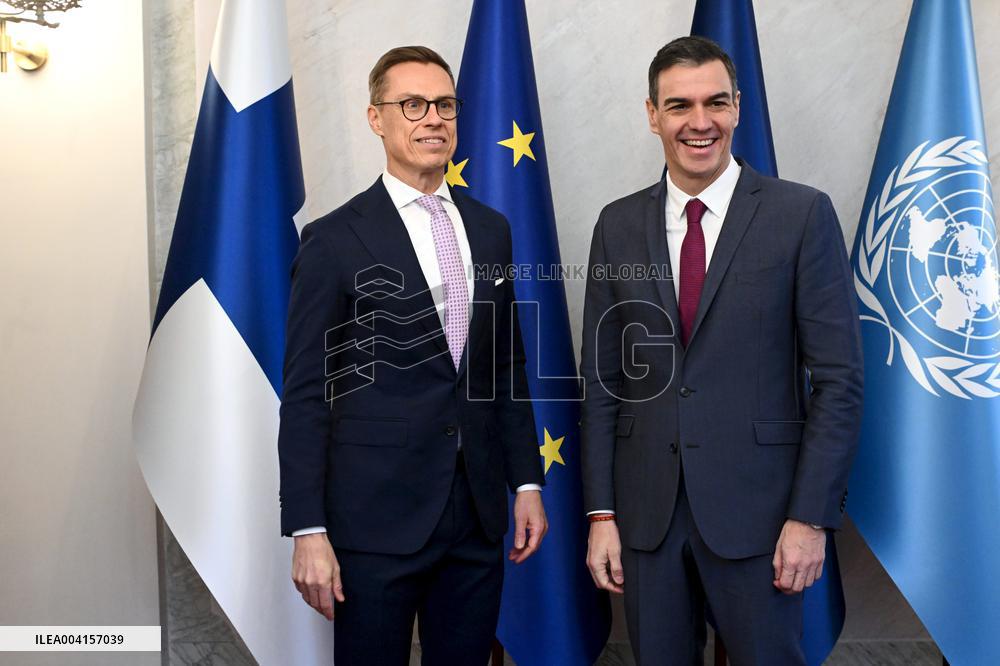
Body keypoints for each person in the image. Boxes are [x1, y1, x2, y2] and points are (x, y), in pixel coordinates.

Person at [580, 36, 863, 665]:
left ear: (738, 108)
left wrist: (810, 518)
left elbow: (840, 382)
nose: (699, 122)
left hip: (764, 519)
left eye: (715, 103)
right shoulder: (617, 224)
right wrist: (601, 513)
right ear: (652, 115)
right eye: (679, 105)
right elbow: (602, 382)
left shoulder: (802, 215)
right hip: (647, 519)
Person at [277, 45, 547, 665]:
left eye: (445, 104)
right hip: (373, 521)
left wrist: (526, 480)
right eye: (413, 104)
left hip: (476, 515)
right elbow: (307, 391)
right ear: (377, 119)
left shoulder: (491, 229)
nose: (433, 118)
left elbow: (504, 370)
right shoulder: (334, 239)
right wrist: (308, 528)